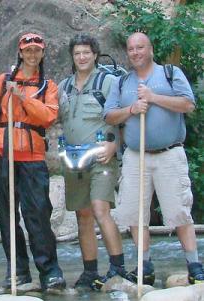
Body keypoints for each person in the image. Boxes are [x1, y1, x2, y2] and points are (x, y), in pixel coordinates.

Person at [104, 32, 204, 285]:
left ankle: (194, 265)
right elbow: (109, 116)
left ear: (150, 49)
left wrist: (153, 98)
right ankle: (144, 265)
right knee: (136, 213)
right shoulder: (122, 82)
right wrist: (131, 109)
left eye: (140, 47)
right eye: (131, 49)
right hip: (135, 156)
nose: (135, 52)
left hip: (169, 153)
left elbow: (188, 105)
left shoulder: (171, 73)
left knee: (179, 211)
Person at [0, 32, 66, 291]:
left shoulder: (47, 85)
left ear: (42, 53)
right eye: (27, 50)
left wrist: (22, 97)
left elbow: (48, 117)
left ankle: (49, 271)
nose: (31, 54)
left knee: (38, 212)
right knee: (7, 215)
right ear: (20, 52)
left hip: (32, 155)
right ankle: (17, 271)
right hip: (1, 152)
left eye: (36, 50)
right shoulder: (1, 81)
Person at [57, 34, 129, 290]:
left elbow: (123, 116)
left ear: (95, 54)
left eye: (86, 52)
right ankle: (90, 271)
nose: (82, 57)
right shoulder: (63, 87)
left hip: (101, 157)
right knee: (83, 215)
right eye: (77, 53)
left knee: (100, 210)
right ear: (72, 57)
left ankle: (118, 268)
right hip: (73, 161)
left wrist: (114, 144)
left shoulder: (108, 82)